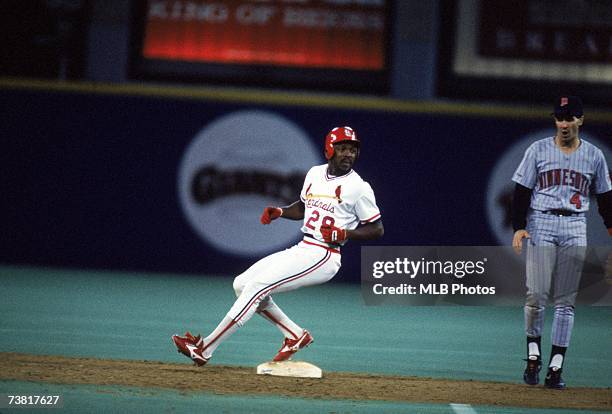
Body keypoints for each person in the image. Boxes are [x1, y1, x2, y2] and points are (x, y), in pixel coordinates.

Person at [172, 126, 384, 366]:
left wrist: (344, 232)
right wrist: (281, 211)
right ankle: (295, 335)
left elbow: (376, 229)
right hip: (304, 247)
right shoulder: (315, 174)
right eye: (343, 148)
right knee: (241, 284)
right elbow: (304, 208)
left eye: (353, 150)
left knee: (258, 287)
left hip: (325, 255)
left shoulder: (359, 187)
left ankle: (205, 348)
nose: (349, 154)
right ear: (329, 150)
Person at [511, 96, 612, 389]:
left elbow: (605, 197)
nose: (564, 124)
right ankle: (533, 355)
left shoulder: (594, 156)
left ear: (580, 120)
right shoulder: (538, 149)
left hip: (575, 224)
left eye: (569, 118)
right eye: (559, 118)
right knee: (536, 295)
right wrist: (519, 227)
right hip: (541, 221)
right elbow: (521, 190)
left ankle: (556, 366)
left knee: (567, 300)